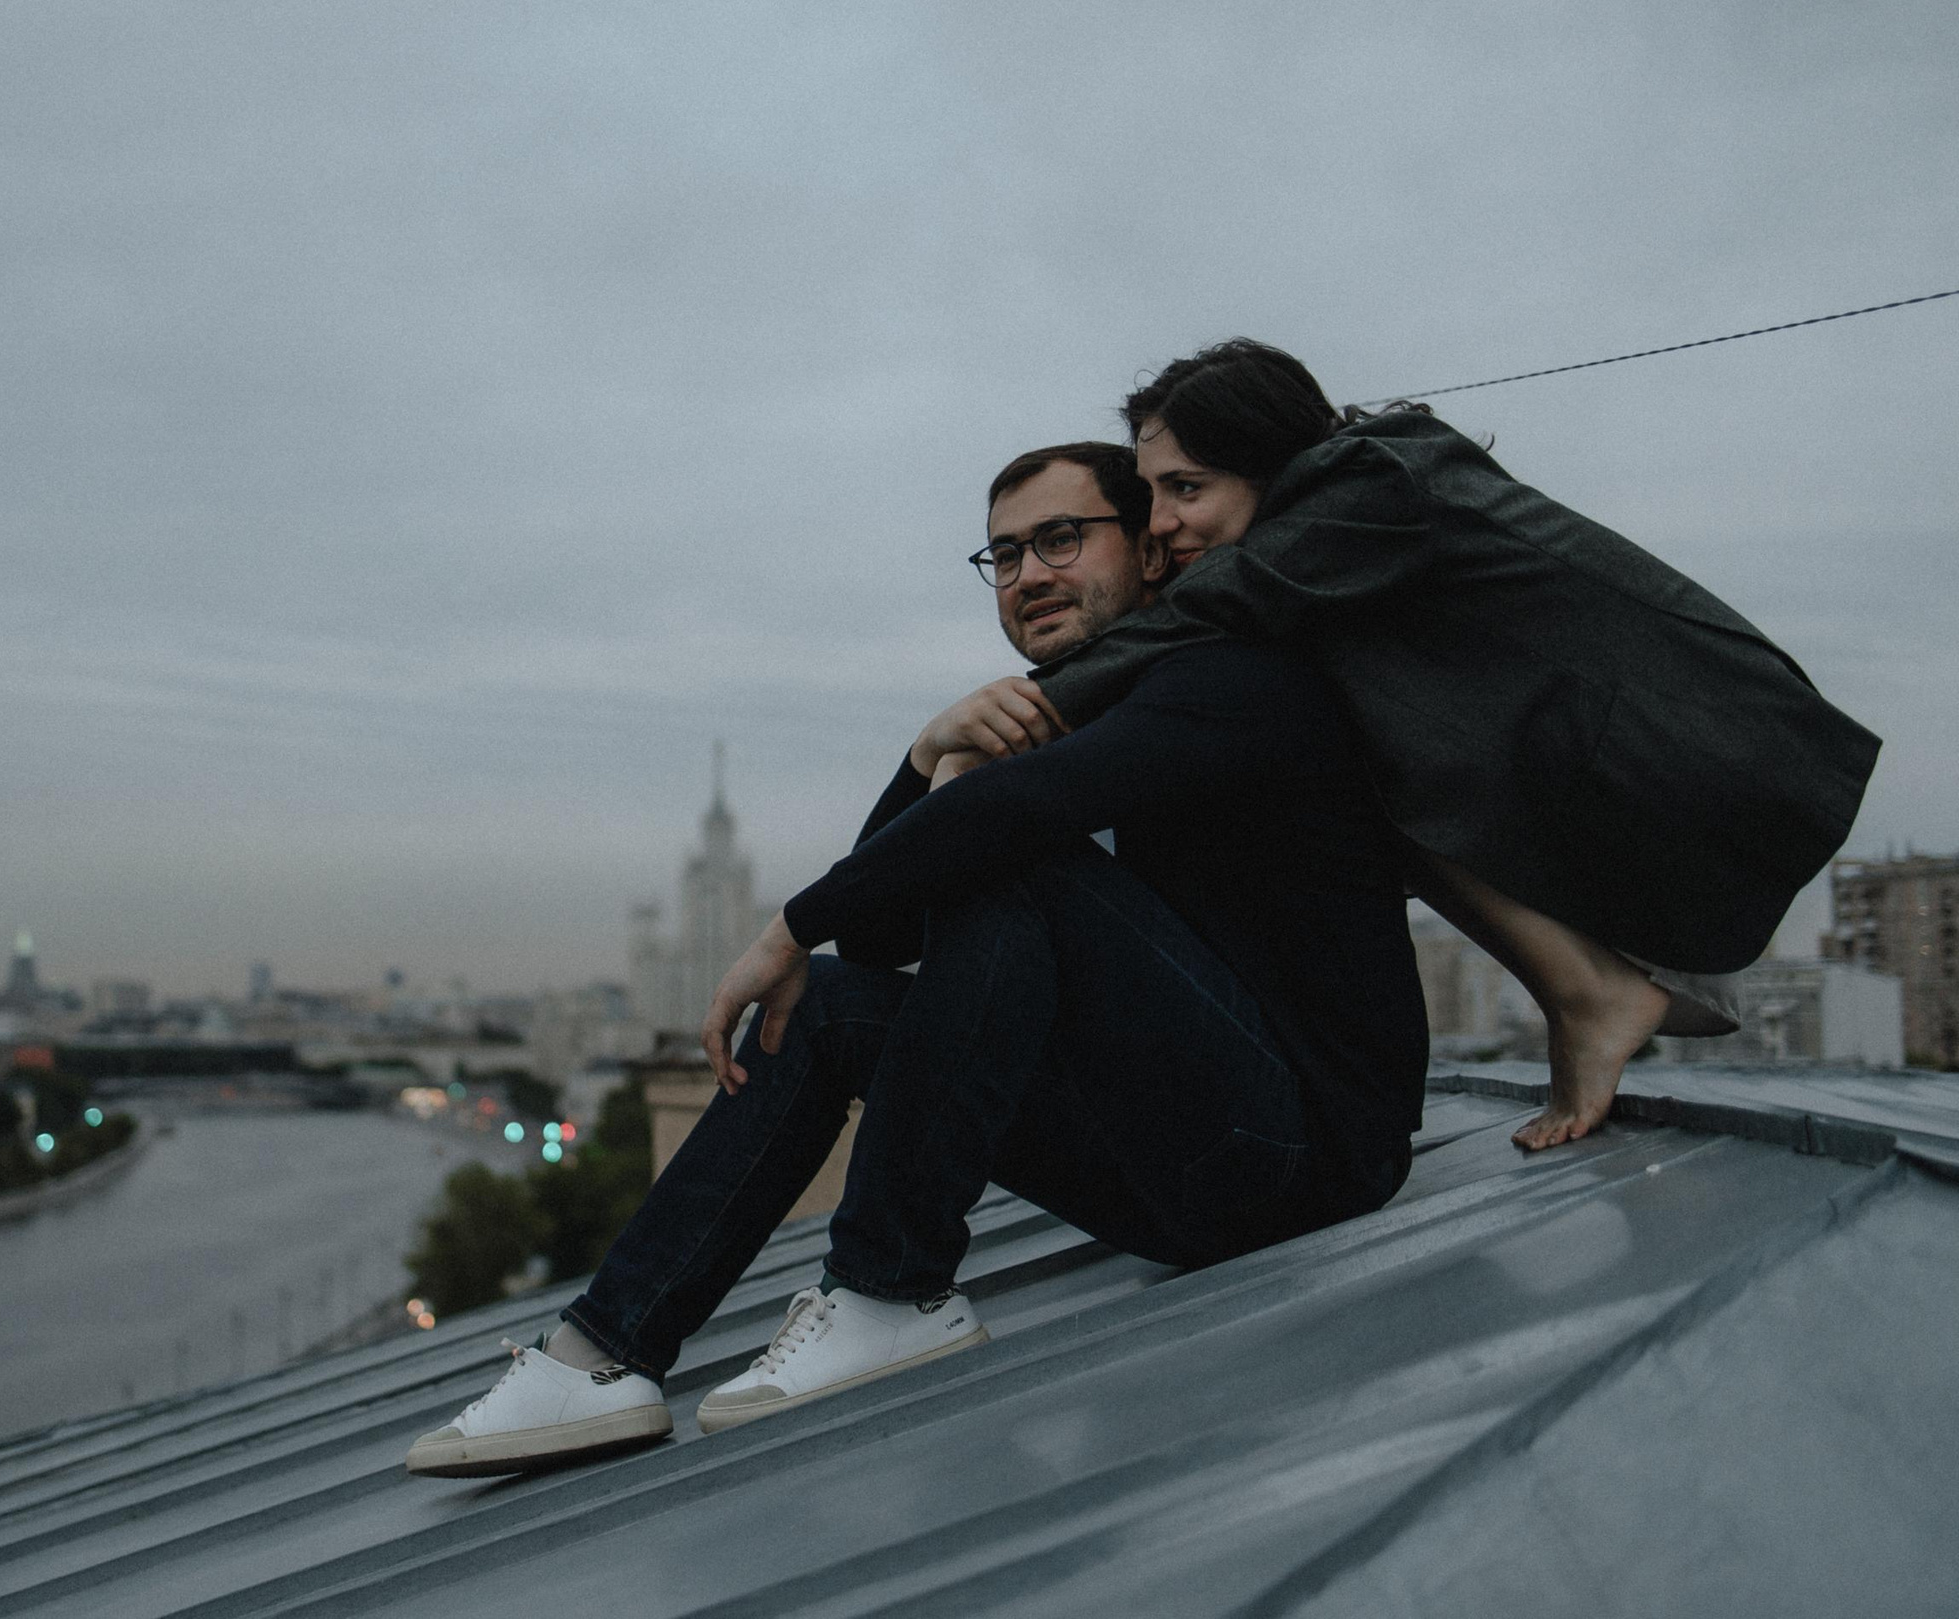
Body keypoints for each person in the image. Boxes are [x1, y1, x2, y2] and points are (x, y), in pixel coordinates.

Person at [405, 441, 1430, 1478]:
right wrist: (926, 752)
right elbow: (885, 938)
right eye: (1005, 556)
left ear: (1150, 550)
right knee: (825, 1006)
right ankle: (603, 1352)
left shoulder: (1223, 674)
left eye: (1061, 539)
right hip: (1172, 1173)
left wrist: (786, 927)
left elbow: (997, 831)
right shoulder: (1069, 711)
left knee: (1001, 847)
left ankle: (889, 1285)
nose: (1028, 574)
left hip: (1305, 1162)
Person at [1031, 340, 1879, 1150]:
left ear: (1267, 458)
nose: (1164, 522)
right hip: (1650, 751)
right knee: (1329, 740)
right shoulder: (1346, 513)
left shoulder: (1375, 482)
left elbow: (1219, 600)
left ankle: (1590, 994)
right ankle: (1587, 991)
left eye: (1186, 487)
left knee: (1339, 750)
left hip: (1707, 745)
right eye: (1152, 494)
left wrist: (1019, 714)